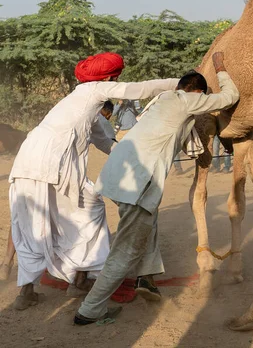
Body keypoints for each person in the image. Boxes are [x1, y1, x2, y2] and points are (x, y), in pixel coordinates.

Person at [74, 52, 239, 325]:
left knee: (149, 221)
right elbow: (229, 97)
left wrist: (199, 152)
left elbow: (183, 135)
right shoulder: (190, 99)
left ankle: (146, 278)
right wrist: (221, 69)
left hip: (115, 178)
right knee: (126, 250)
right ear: (197, 92)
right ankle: (89, 310)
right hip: (137, 185)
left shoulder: (162, 100)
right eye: (201, 96)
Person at [8, 52, 181, 310]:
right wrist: (178, 82)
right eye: (115, 77)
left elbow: (105, 142)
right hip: (56, 162)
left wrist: (132, 156)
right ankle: (79, 280)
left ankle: (27, 292)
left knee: (32, 223)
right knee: (91, 212)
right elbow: (140, 89)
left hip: (26, 161)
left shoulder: (78, 102)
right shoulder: (95, 90)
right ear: (110, 76)